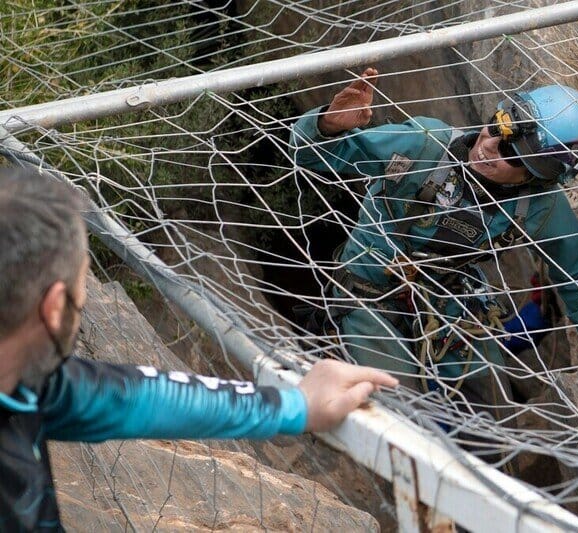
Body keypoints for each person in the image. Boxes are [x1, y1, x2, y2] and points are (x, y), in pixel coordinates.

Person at [0, 166, 398, 531]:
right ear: (54, 308)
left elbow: (138, 396)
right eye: (81, 283)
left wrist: (296, 406)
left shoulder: (26, 382)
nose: (85, 298)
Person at [290, 67, 578, 399]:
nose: (488, 146)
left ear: (541, 173)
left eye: (511, 151)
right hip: (368, 293)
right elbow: (310, 156)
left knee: (491, 401)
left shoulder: (540, 207)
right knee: (397, 400)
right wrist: (328, 126)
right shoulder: (423, 145)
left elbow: (576, 272)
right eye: (497, 126)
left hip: (447, 301)